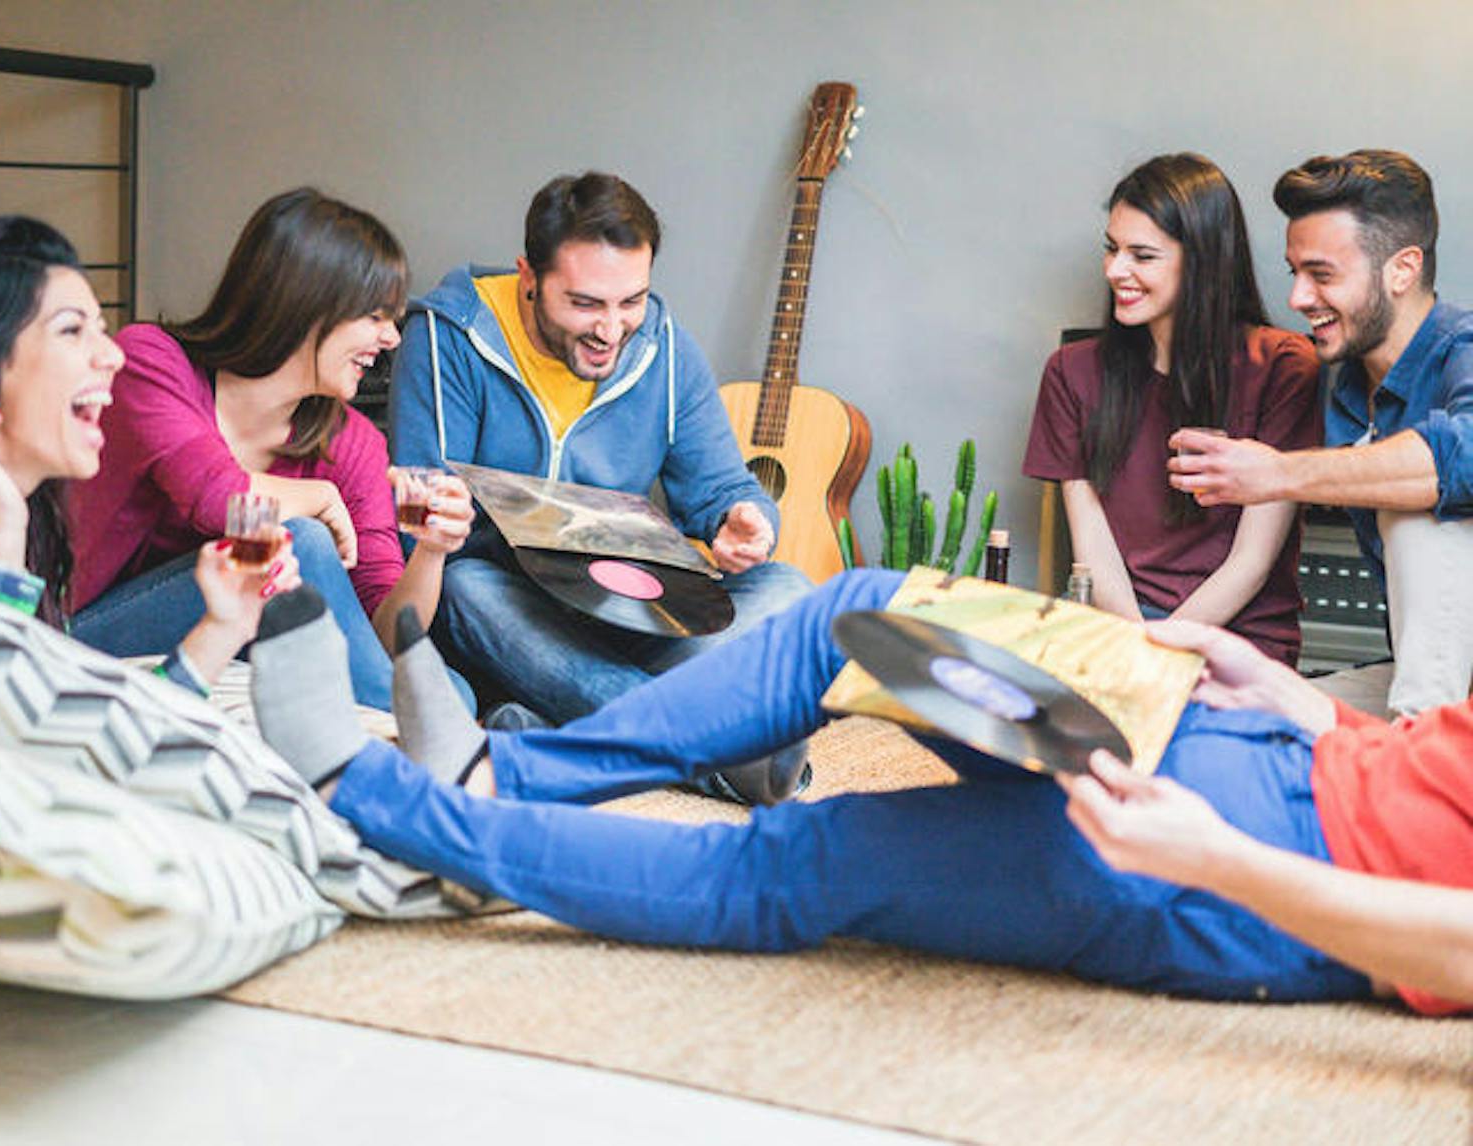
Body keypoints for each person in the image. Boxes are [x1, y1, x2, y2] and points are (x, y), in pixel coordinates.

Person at [241, 568, 1473, 1016]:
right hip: (1260, 746)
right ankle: (504, 772)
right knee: (856, 606)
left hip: (1257, 883)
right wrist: (1309, 703)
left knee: (801, 862)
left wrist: (1214, 860)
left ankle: (385, 802)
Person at [388, 172, 813, 737]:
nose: (611, 331)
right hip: (508, 612)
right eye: (585, 304)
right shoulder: (450, 337)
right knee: (466, 587)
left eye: (631, 301)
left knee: (788, 591)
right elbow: (417, 531)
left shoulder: (666, 351)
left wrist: (745, 522)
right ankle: (694, 742)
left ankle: (561, 718)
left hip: (626, 612)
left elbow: (723, 491)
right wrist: (442, 511)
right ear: (528, 278)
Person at [65, 188, 475, 711]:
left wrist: (433, 552)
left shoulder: (351, 444)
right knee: (295, 540)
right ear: (307, 305)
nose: (393, 338)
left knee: (449, 689)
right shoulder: (152, 361)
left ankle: (446, 728)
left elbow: (388, 642)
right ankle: (454, 740)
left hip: (227, 637)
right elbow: (216, 497)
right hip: (81, 631)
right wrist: (320, 498)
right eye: (374, 317)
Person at [0, 216, 293, 689]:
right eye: (71, 330)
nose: (113, 355)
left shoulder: (35, 518)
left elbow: (63, 735)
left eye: (101, 329)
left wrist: (225, 628)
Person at [1171, 150, 1473, 715]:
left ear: (1402, 270)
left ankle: (1420, 780)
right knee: (1258, 722)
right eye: (1296, 274)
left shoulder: (1464, 349)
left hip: (1443, 691)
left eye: (1322, 275)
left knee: (1417, 509)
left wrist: (1279, 473)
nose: (1298, 299)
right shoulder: (1343, 386)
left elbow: (1462, 458)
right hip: (1432, 683)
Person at [1024, 153, 1320, 665]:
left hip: (1237, 640)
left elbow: (1251, 562)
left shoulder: (1283, 366)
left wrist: (1159, 652)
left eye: (1142, 255)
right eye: (1111, 249)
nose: (1117, 270)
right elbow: (1090, 545)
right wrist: (1135, 646)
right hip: (1119, 630)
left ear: (1203, 261)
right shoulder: (1070, 373)